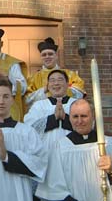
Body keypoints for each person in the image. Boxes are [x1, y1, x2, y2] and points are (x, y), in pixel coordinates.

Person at [35, 99, 112, 201]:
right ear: (69, 118)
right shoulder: (59, 147)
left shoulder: (110, 144)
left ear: (93, 117)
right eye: (75, 116)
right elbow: (54, 188)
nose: (79, 121)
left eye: (84, 116)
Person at [24, 69, 77, 201]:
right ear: (47, 85)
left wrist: (65, 119)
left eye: (60, 80)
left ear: (67, 84)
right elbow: (29, 128)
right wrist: (53, 119)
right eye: (52, 80)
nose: (56, 83)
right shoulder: (39, 105)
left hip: (72, 156)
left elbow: (87, 125)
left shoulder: (75, 104)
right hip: (47, 157)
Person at [25, 37, 86, 107]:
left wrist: (61, 89)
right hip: (43, 113)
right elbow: (27, 100)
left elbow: (79, 93)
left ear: (56, 56)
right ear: (41, 57)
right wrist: (44, 90)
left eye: (50, 54)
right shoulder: (33, 78)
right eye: (44, 55)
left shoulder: (70, 74)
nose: (47, 57)